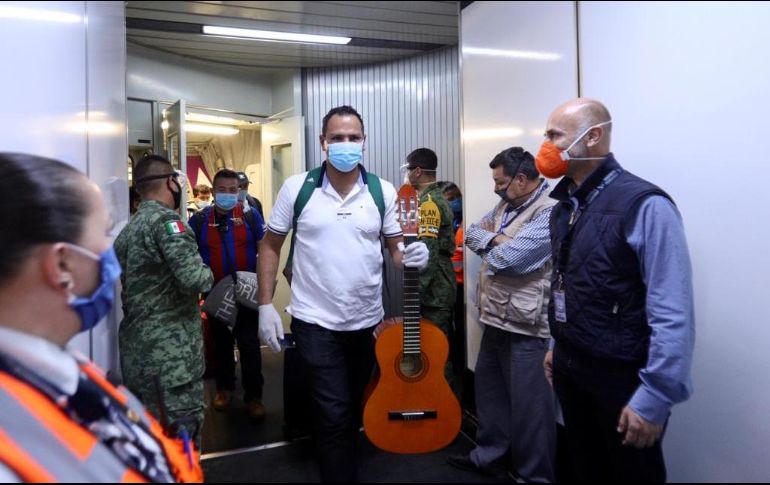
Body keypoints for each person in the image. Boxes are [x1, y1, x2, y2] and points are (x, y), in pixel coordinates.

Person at [0, 153, 202, 482]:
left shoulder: (70, 371)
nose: (112, 250)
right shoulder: (13, 451)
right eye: (105, 233)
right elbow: (195, 279)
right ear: (62, 265)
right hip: (171, 354)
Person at [256, 105, 429, 482]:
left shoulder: (382, 191)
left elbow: (396, 249)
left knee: (350, 405)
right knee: (333, 412)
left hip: (366, 321)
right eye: (337, 138)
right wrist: (265, 304)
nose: (345, 144)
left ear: (364, 141)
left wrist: (411, 255)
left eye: (353, 137)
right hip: (315, 321)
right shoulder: (298, 188)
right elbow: (270, 245)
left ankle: (340, 460)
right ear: (323, 142)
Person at [539, 98, 695, 482]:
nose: (546, 147)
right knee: (584, 469)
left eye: (555, 136)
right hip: (572, 368)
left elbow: (672, 309)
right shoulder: (564, 207)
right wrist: (557, 346)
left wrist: (655, 396)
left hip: (621, 379)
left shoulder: (645, 205)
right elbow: (567, 282)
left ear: (592, 136)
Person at [448, 147, 557, 482]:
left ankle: (533, 476)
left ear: (521, 179)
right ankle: (488, 458)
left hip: (528, 328)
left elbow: (511, 260)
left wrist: (499, 245)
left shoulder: (551, 211)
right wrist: (501, 239)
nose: (495, 188)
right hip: (495, 318)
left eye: (500, 182)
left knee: (531, 410)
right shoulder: (506, 205)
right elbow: (472, 233)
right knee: (490, 397)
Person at [115, 154, 214, 450]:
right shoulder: (168, 223)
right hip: (172, 360)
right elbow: (196, 279)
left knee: (149, 441)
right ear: (171, 182)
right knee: (180, 444)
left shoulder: (129, 229)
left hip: (137, 355)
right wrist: (209, 272)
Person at [189, 169, 266, 421]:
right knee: (221, 343)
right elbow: (190, 256)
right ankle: (224, 389)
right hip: (215, 292)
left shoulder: (250, 217)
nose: (228, 194)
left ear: (239, 191)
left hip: (247, 291)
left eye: (233, 190)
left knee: (249, 343)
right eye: (222, 190)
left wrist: (265, 289)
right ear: (213, 192)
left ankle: (254, 396)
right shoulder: (200, 220)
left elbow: (265, 251)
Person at [402, 148, 457, 387]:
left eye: (407, 170)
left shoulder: (428, 204)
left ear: (417, 171)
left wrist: (416, 292)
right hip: (438, 286)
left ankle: (444, 401)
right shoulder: (431, 198)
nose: (405, 175)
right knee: (435, 347)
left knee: (436, 350)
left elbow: (429, 252)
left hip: (435, 290)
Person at [441, 181, 466, 382]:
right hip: (448, 284)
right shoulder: (446, 223)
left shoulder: (465, 221)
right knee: (448, 329)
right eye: (450, 200)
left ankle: (462, 369)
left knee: (462, 328)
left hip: (464, 285)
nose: (454, 202)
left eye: (456, 198)